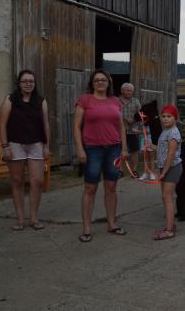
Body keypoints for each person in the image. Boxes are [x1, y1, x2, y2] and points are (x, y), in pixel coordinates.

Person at [73, 69, 129, 243]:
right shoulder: (85, 100)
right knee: (90, 188)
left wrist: (124, 148)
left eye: (103, 79)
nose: (100, 82)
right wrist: (80, 149)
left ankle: (112, 224)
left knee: (111, 187)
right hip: (93, 149)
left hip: (113, 148)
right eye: (97, 80)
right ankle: (86, 228)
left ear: (108, 82)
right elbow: (76, 127)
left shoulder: (115, 101)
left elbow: (120, 127)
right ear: (92, 83)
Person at [0, 70, 50, 231]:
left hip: (36, 144)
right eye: (25, 81)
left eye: (31, 81)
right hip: (15, 144)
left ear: (35, 84)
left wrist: (46, 145)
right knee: (17, 181)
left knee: (37, 181)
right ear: (19, 83)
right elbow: (2, 124)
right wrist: (5, 146)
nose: (28, 84)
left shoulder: (41, 101)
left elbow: (46, 124)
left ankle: (34, 218)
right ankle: (20, 219)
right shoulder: (10, 100)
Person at [151, 104, 182, 240]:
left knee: (167, 197)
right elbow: (163, 149)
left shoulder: (174, 133)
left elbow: (171, 154)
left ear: (175, 118)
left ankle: (169, 230)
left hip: (172, 168)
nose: (165, 119)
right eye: (163, 116)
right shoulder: (165, 131)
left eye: (169, 116)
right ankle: (170, 225)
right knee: (166, 197)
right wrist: (152, 147)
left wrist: (163, 172)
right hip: (166, 168)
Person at [118, 83, 142, 178]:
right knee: (119, 151)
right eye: (127, 90)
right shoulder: (116, 101)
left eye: (131, 90)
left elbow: (141, 114)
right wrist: (122, 119)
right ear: (122, 90)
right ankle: (120, 171)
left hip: (133, 130)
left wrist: (134, 120)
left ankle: (134, 170)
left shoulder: (136, 101)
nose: (129, 92)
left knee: (134, 151)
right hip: (119, 131)